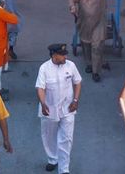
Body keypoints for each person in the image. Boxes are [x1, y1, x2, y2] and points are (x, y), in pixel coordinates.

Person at [35, 44, 82, 174]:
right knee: (49, 137)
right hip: (49, 109)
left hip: (68, 109)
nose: (65, 56)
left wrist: (76, 100)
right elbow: (40, 88)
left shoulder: (71, 66)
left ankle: (64, 169)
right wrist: (43, 104)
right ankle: (52, 159)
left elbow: (77, 82)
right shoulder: (44, 68)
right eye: (62, 54)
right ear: (54, 55)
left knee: (66, 139)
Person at [68, 0, 113, 82]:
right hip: (84, 24)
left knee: (97, 48)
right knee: (86, 46)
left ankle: (96, 71)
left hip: (99, 24)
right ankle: (89, 64)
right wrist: (72, 7)